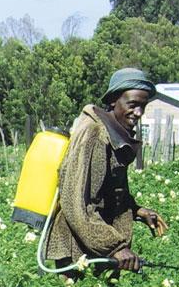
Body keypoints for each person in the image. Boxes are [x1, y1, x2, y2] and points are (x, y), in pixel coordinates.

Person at [46, 67, 168, 274]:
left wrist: (137, 210)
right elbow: (76, 202)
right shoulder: (94, 134)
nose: (138, 113)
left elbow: (109, 190)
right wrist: (115, 247)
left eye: (143, 106)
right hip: (78, 247)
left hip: (95, 243)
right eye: (132, 105)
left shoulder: (113, 134)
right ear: (113, 100)